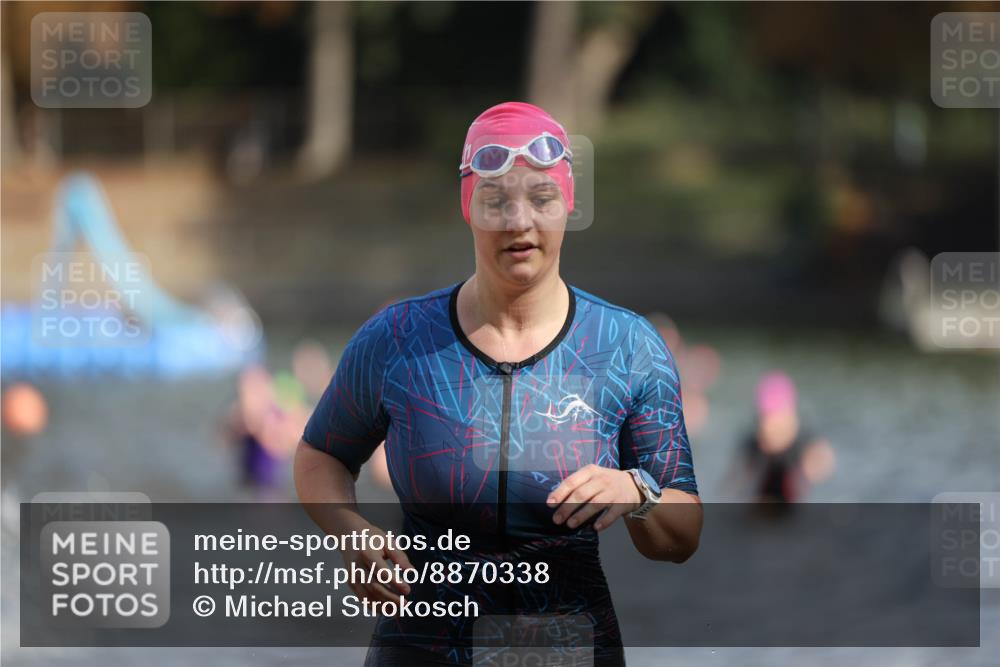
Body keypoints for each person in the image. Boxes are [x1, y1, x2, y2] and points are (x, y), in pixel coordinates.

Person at [294, 102, 703, 666]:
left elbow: (683, 534)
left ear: (568, 204)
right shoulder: (398, 339)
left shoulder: (628, 347)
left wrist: (637, 492)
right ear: (468, 208)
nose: (518, 221)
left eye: (540, 198)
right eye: (495, 201)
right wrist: (350, 531)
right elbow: (321, 454)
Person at [740, 371, 835, 504]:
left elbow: (824, 464)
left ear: (792, 418)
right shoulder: (752, 446)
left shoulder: (806, 444)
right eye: (765, 421)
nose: (770, 429)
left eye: (777, 423)